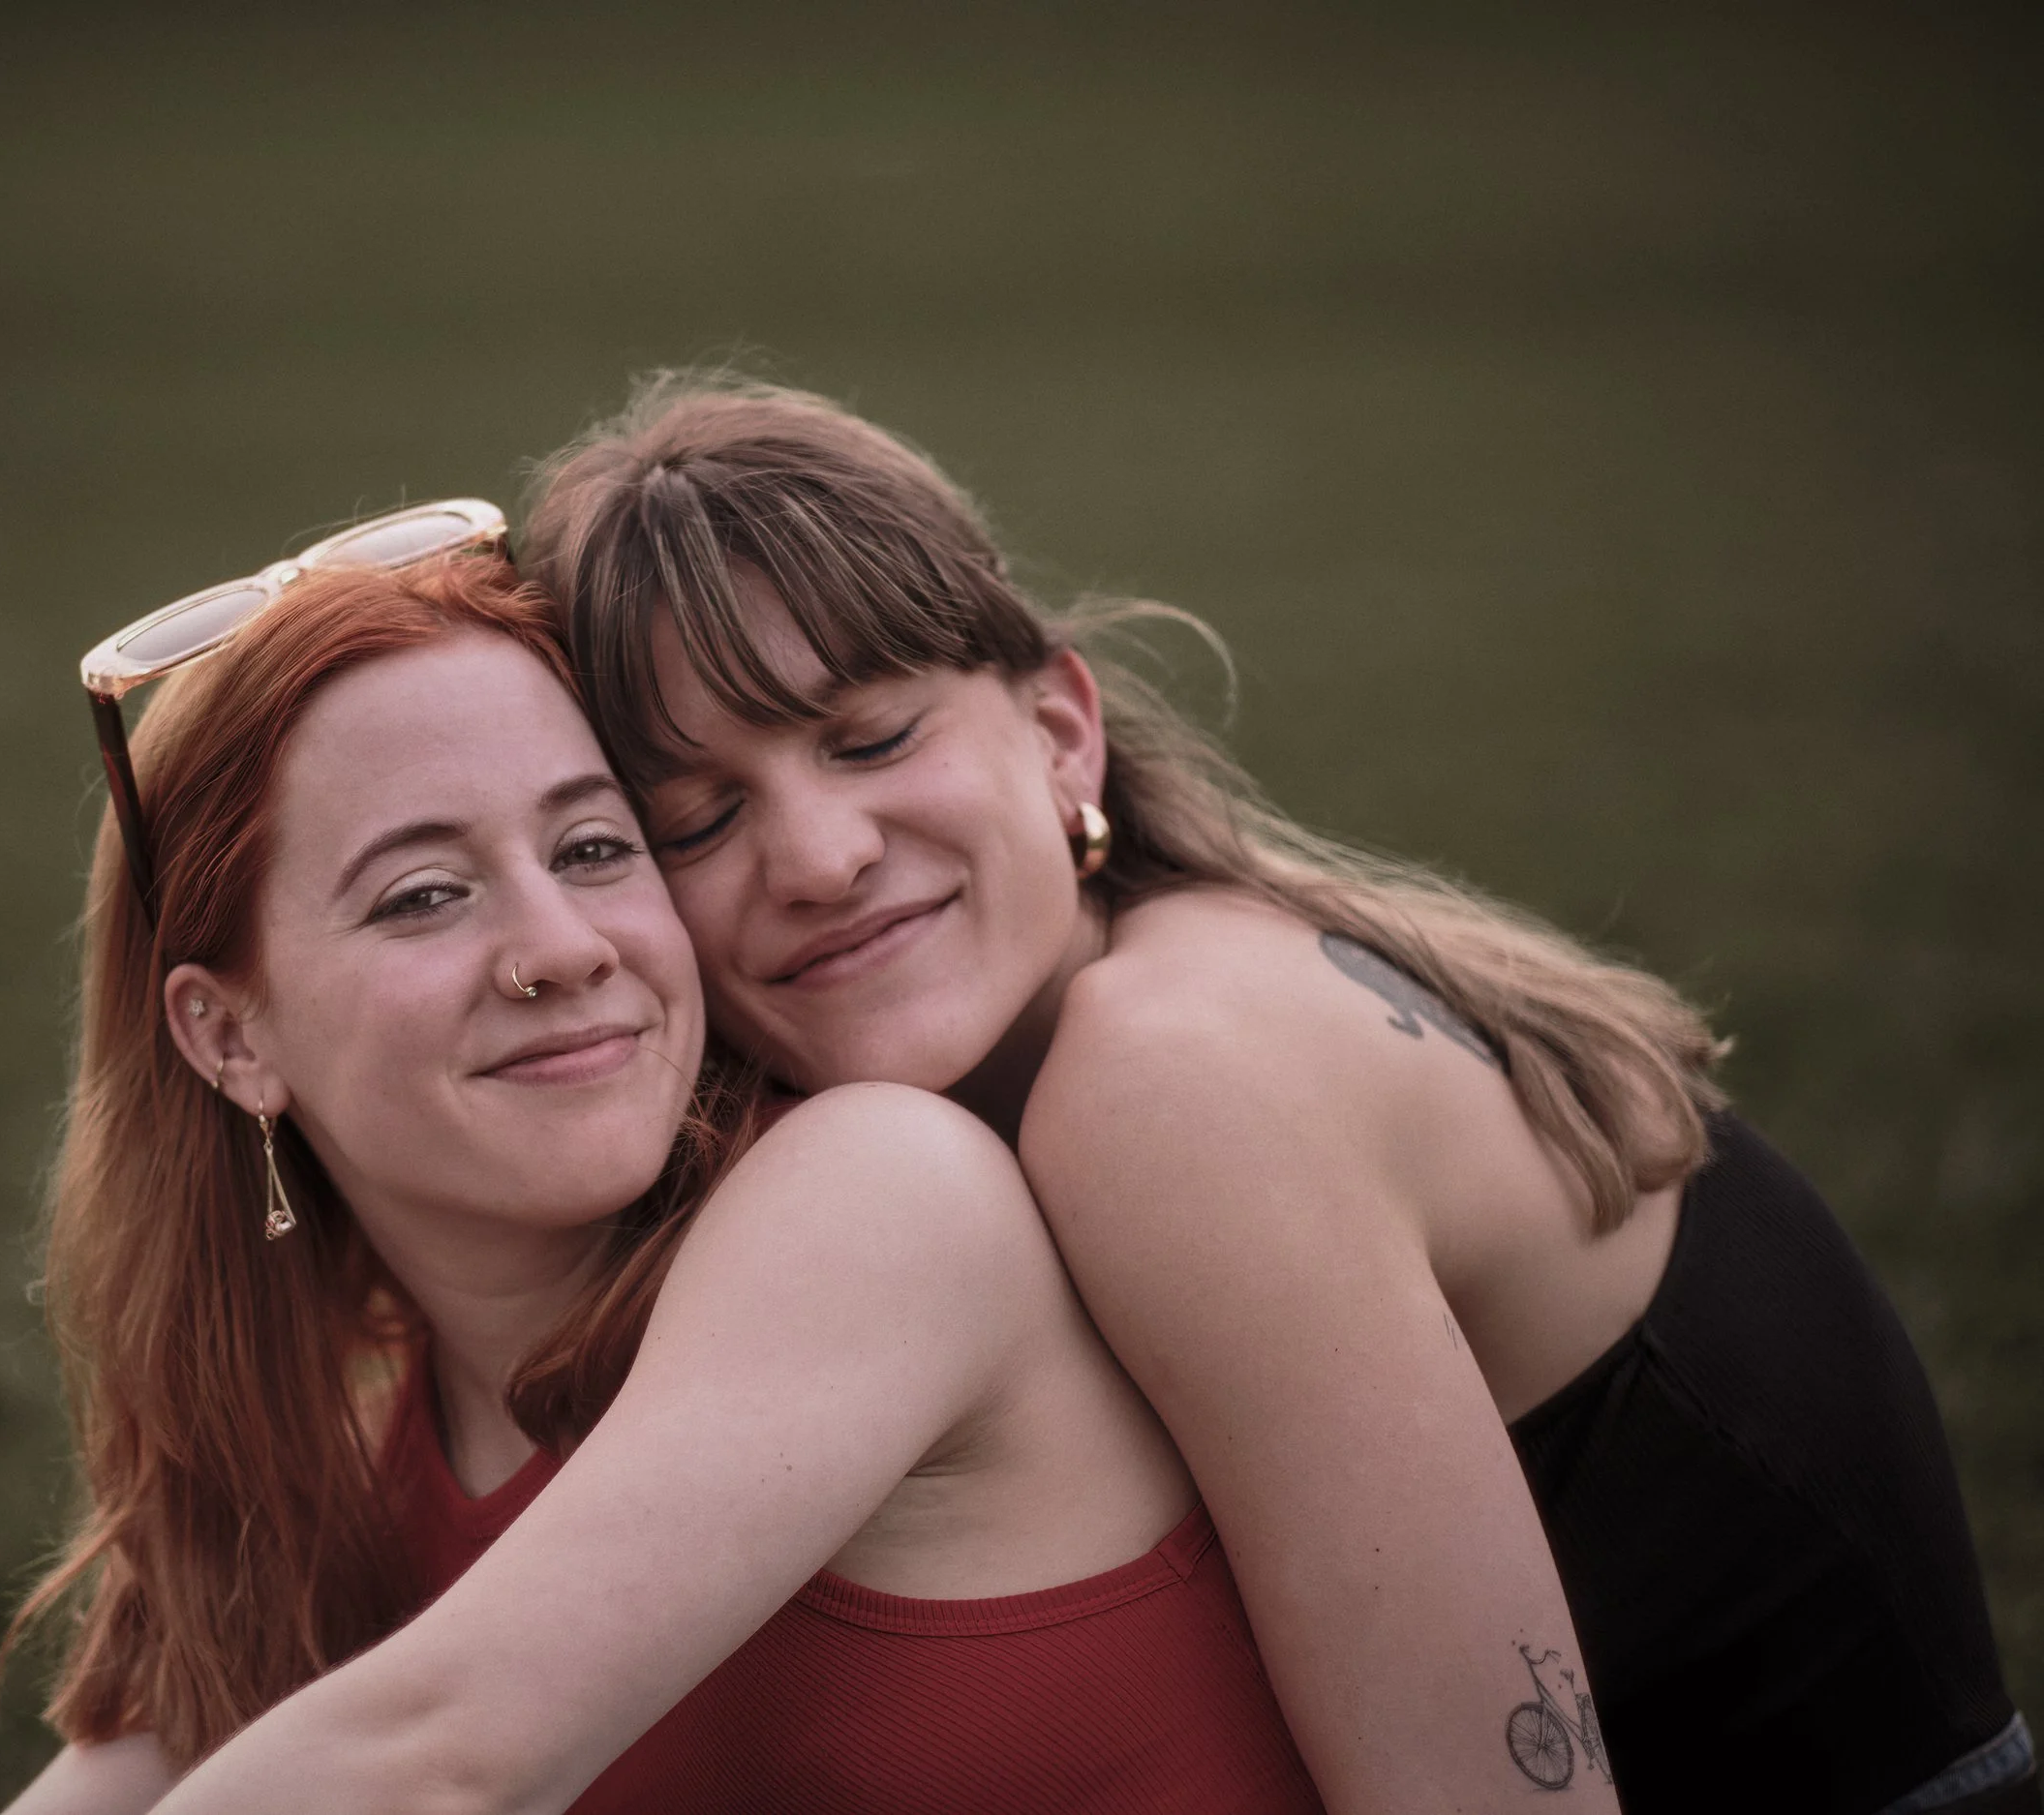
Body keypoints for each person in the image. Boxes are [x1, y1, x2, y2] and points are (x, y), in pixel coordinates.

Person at [522, 376, 2039, 1815]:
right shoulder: (1050, 1054)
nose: (819, 855)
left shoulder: (1171, 1081)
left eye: (873, 738)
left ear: (1061, 732)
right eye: (698, 818)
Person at [2, 539, 1333, 1815]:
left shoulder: (884, 1199)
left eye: (592, 849)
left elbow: (440, 1759)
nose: (561, 948)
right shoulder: (358, 1466)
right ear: (231, 1034)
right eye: (422, 895)